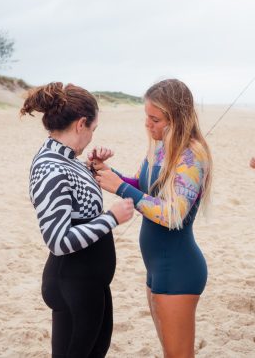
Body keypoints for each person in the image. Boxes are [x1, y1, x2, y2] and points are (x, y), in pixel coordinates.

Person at [90, 79, 212, 358]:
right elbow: (143, 186)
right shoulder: (160, 147)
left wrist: (120, 188)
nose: (148, 124)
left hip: (179, 270)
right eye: (146, 116)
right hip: (156, 268)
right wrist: (107, 172)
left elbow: (173, 214)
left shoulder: (192, 155)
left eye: (155, 119)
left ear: (177, 119)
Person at [20, 82, 134, 358]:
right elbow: (58, 241)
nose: (93, 137)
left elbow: (77, 202)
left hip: (89, 281)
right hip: (72, 281)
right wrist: (111, 218)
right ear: (81, 123)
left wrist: (94, 166)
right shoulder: (50, 167)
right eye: (93, 130)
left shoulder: (67, 158)